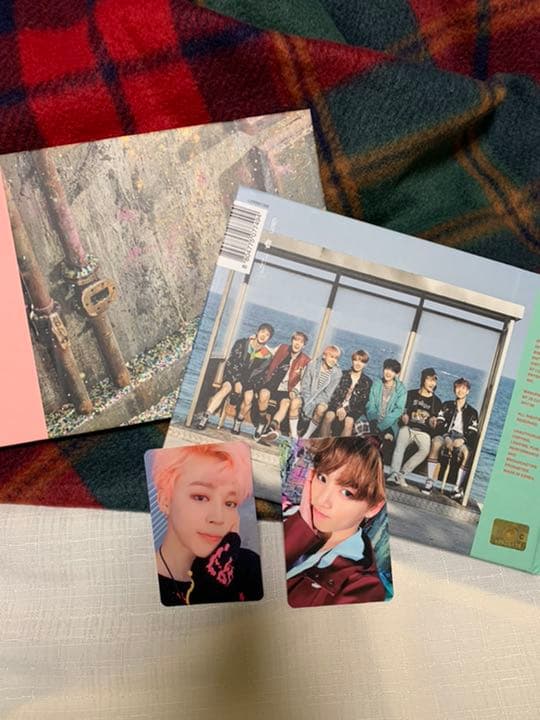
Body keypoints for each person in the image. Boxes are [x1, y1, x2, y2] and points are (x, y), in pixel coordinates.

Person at [151, 443, 263, 606]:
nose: (218, 518)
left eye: (230, 503)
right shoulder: (141, 585)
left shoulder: (250, 566)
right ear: (165, 501)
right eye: (200, 497)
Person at [282, 436, 387, 607]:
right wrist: (297, 530)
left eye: (346, 493)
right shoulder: (287, 516)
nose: (322, 500)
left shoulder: (362, 589)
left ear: (373, 507)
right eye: (322, 478)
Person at [196, 323, 274, 434]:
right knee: (225, 389)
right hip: (232, 375)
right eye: (262, 332)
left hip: (248, 381)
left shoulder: (267, 355)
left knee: (248, 398)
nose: (263, 336)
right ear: (257, 332)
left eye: (267, 335)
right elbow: (232, 362)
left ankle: (238, 422)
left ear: (269, 339)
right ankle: (206, 416)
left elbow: (259, 374)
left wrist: (245, 384)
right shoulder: (242, 343)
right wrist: (237, 381)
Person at [421, 377, 479, 499]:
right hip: (446, 434)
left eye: (463, 388)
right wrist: (446, 437)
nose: (460, 391)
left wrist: (463, 440)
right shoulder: (446, 405)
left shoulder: (472, 412)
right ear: (454, 389)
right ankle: (429, 481)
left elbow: (473, 433)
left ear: (467, 391)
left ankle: (457, 488)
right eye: (458, 388)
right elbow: (440, 424)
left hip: (461, 438)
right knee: (436, 443)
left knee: (467, 452)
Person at [386, 367, 442, 488]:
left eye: (434, 381)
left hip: (423, 432)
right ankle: (393, 474)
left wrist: (433, 422)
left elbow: (435, 419)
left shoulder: (436, 402)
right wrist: (404, 416)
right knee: (400, 444)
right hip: (408, 428)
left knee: (425, 450)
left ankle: (401, 474)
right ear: (423, 380)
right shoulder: (411, 394)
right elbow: (403, 410)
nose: (432, 383)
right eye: (429, 380)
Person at [253, 331, 311, 444]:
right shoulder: (282, 348)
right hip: (272, 383)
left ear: (304, 345)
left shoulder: (306, 360)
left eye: (301, 342)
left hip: (287, 389)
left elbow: (304, 380)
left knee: (286, 403)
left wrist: (295, 391)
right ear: (292, 341)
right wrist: (257, 343)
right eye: (295, 340)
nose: (297, 343)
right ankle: (262, 421)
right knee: (263, 395)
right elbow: (269, 352)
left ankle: (271, 428)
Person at [288, 345, 343, 439]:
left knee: (321, 409)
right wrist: (308, 401)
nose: (333, 360)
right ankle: (294, 435)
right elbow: (305, 385)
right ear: (324, 356)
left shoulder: (337, 373)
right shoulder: (312, 365)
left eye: (336, 358)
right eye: (331, 357)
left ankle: (306, 436)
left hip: (321, 400)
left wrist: (312, 403)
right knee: (294, 402)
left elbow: (327, 395)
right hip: (306, 396)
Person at [319, 350, 372, 437]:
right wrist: (339, 407)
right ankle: (324, 443)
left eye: (362, 362)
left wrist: (346, 410)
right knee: (329, 416)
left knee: (349, 421)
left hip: (353, 409)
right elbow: (334, 394)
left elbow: (362, 403)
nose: (358, 364)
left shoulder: (367, 382)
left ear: (365, 364)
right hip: (336, 405)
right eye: (356, 360)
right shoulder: (342, 374)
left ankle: (340, 445)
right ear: (352, 361)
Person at [365, 358, 407, 443]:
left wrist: (380, 426)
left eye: (392, 371)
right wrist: (373, 420)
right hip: (373, 419)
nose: (388, 373)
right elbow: (370, 404)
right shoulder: (376, 384)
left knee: (385, 439)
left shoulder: (401, 390)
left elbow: (398, 411)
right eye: (387, 369)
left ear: (396, 374)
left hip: (390, 424)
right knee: (360, 430)